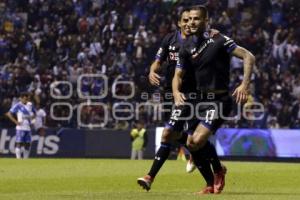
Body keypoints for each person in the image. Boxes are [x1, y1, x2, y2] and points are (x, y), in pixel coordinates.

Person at [137, 7, 224, 193]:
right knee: (184, 138)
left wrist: (214, 33)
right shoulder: (169, 40)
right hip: (170, 93)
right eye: (184, 21)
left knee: (169, 135)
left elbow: (216, 40)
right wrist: (152, 70)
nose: (188, 24)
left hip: (191, 95)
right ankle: (214, 173)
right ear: (179, 23)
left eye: (191, 20)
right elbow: (157, 61)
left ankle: (149, 177)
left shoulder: (202, 39)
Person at [173, 5, 255, 194]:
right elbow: (178, 74)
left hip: (218, 100)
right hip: (197, 101)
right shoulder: (186, 47)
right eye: (189, 19)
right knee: (191, 143)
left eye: (196, 19)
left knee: (198, 139)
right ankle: (212, 180)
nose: (192, 22)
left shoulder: (219, 39)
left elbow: (248, 56)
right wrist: (176, 92)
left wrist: (244, 85)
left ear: (206, 20)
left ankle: (218, 171)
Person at [5, 92, 35, 159]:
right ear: (21, 98)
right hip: (20, 128)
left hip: (28, 127)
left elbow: (34, 113)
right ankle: (18, 159)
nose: (26, 100)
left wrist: (32, 118)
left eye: (27, 99)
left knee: (28, 144)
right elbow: (8, 114)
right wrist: (16, 122)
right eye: (24, 99)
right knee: (19, 143)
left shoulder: (30, 105)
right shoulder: (18, 105)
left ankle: (25, 159)